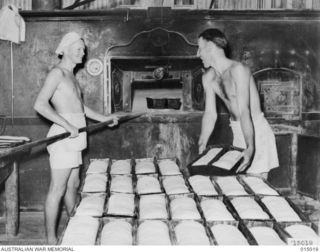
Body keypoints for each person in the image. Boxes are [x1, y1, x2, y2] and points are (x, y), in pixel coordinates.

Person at [34, 32, 118, 245]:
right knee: (58, 189)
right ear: (65, 49)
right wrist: (67, 124)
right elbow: (40, 105)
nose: (83, 52)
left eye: (83, 49)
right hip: (63, 137)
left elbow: (80, 109)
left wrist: (105, 119)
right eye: (78, 49)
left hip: (76, 135)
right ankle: (51, 243)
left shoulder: (71, 76)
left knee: (73, 185)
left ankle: (76, 227)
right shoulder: (57, 74)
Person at [197, 28, 279, 178]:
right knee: (239, 185)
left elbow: (244, 111)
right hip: (238, 131)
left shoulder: (238, 70)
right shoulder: (208, 78)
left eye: (200, 48)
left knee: (257, 187)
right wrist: (202, 143)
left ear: (210, 47)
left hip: (256, 131)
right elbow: (210, 114)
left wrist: (250, 147)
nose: (198, 54)